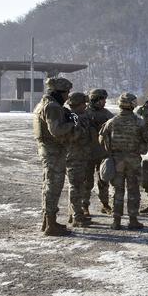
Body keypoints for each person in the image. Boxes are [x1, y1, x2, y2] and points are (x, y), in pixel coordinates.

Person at [98, 92, 148, 230]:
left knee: (117, 190)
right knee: (133, 190)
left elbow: (102, 139)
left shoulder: (111, 122)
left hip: (117, 161)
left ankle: (116, 221)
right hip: (133, 160)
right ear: (133, 105)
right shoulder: (139, 122)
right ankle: (133, 220)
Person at [33, 77, 76, 236]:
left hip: (47, 150)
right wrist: (72, 124)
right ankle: (50, 225)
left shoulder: (42, 104)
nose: (67, 97)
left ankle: (47, 222)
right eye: (66, 93)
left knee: (48, 186)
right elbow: (56, 130)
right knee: (53, 187)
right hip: (54, 152)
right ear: (59, 92)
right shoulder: (53, 107)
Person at [64, 92, 93, 228]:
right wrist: (80, 129)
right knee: (75, 186)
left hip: (81, 156)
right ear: (78, 104)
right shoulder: (72, 117)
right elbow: (74, 136)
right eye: (83, 104)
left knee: (79, 186)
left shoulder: (80, 116)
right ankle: (76, 216)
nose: (85, 106)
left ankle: (75, 214)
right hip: (74, 157)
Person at [85, 88, 114, 215]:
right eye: (102, 99)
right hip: (87, 154)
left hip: (102, 153)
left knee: (104, 180)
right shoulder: (84, 113)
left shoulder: (107, 114)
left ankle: (105, 204)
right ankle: (84, 206)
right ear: (94, 99)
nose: (104, 102)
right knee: (87, 182)